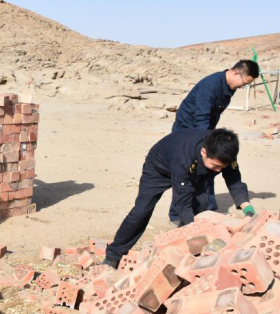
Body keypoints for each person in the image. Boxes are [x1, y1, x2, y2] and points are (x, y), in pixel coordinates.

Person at [103, 128, 255, 269]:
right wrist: (195, 229)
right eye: (216, 166)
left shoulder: (224, 153)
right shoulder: (184, 156)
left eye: (222, 167)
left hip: (194, 171)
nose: (219, 171)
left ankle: (181, 253)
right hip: (159, 169)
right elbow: (182, 201)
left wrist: (248, 209)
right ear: (204, 151)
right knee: (141, 211)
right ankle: (113, 255)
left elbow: (234, 180)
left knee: (200, 207)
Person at [169, 60, 260, 222]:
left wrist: (248, 208)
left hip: (205, 129)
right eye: (244, 83)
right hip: (187, 130)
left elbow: (234, 178)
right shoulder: (211, 85)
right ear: (236, 73)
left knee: (210, 169)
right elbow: (201, 116)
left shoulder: (229, 87)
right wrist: (207, 142)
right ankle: (177, 215)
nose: (243, 87)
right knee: (187, 173)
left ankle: (207, 211)